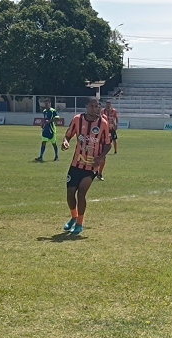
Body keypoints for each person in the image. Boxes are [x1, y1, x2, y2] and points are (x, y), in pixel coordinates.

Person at [61, 97, 111, 235]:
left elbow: (108, 144)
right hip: (76, 163)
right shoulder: (77, 119)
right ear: (87, 107)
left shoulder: (103, 123)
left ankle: (79, 224)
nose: (96, 109)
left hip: (91, 165)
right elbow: (68, 135)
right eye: (93, 106)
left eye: (98, 106)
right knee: (70, 193)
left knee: (82, 192)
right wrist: (66, 142)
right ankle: (74, 217)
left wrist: (99, 159)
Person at [97, 100, 119, 180]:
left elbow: (116, 118)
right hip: (96, 138)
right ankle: (94, 172)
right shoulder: (91, 117)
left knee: (103, 157)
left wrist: (116, 125)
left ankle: (99, 173)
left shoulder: (107, 115)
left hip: (108, 131)